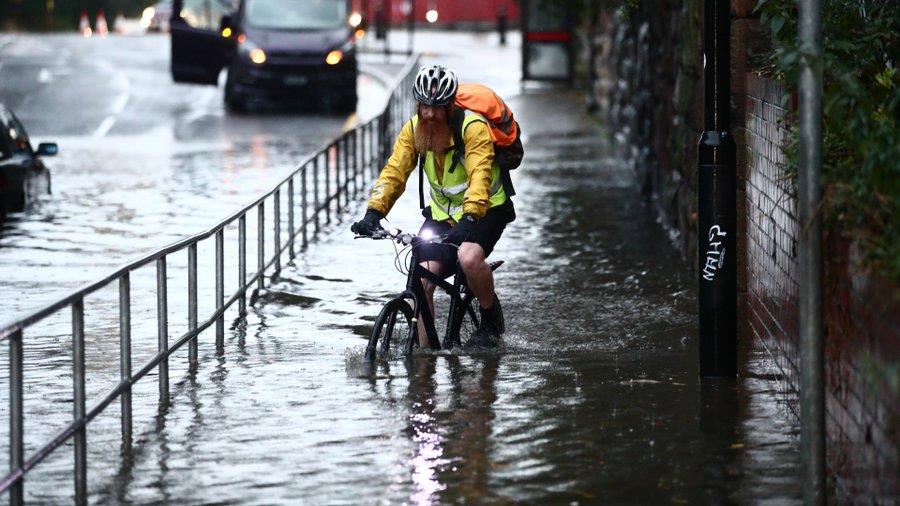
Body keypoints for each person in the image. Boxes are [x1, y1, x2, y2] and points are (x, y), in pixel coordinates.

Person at [351, 65, 515, 348]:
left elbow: (480, 175)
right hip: (442, 215)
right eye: (424, 106)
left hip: (485, 210)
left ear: (450, 106)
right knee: (421, 281)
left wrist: (470, 218)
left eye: (437, 107)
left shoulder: (472, 128)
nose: (429, 113)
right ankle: (425, 357)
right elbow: (395, 171)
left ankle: (490, 319)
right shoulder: (414, 129)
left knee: (468, 257)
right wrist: (374, 212)